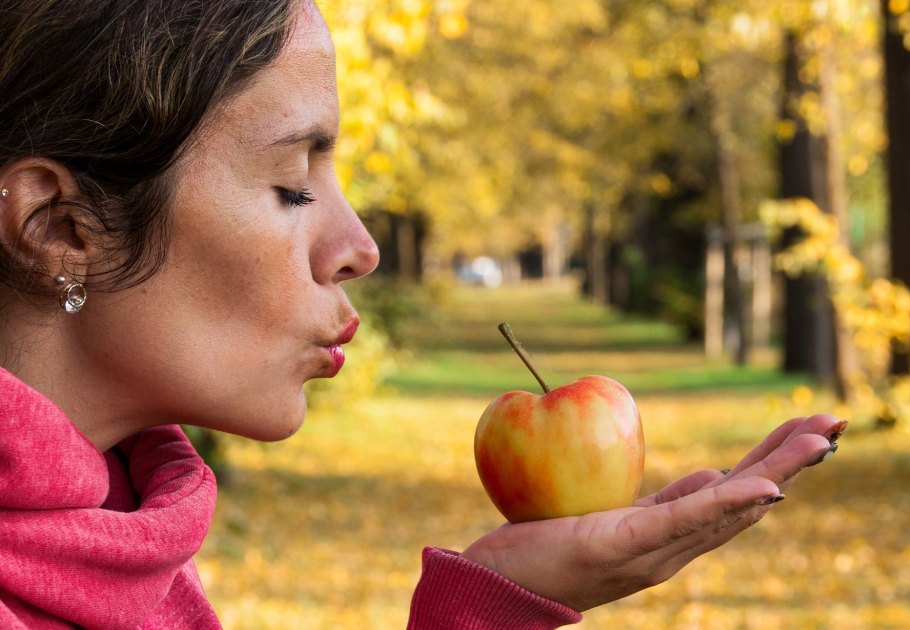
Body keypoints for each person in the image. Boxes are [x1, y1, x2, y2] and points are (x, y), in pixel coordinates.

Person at [0, 0, 845, 627]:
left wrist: (495, 603)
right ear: (63, 229)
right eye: (293, 186)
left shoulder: (123, 525)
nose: (358, 246)